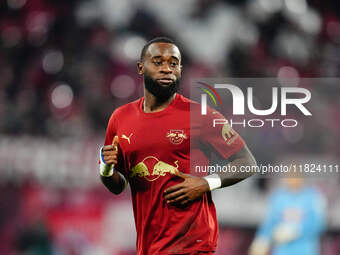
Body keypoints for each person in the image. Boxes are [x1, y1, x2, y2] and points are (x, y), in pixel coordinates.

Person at [99, 37, 256, 255]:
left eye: (173, 63)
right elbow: (118, 186)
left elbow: (247, 163)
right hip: (150, 246)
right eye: (158, 62)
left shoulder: (201, 116)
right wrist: (106, 168)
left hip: (193, 245)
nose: (167, 69)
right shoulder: (120, 118)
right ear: (141, 67)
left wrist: (205, 183)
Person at [249, 178, 326, 255]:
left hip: (305, 250)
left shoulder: (312, 196)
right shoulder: (278, 197)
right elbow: (270, 222)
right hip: (282, 250)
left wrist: (297, 230)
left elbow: (319, 224)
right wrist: (262, 239)